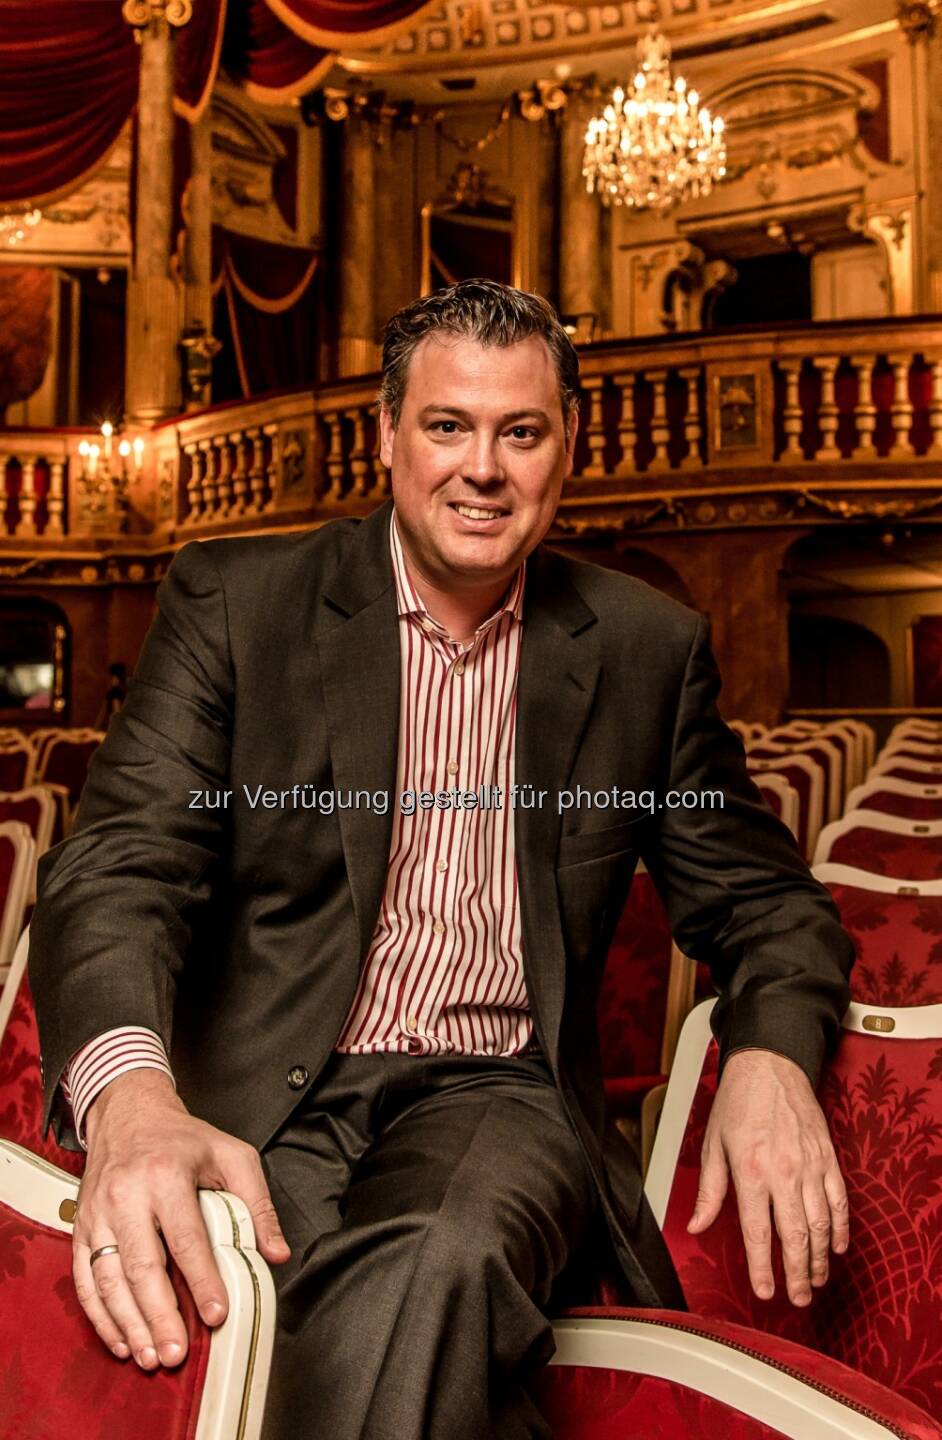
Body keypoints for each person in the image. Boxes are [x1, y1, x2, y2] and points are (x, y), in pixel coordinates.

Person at [29, 279, 854, 1440]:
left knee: (440, 1260)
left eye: (521, 432)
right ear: (386, 437)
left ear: (566, 449)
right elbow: (119, 864)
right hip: (269, 1097)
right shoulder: (237, 602)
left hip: (498, 1093)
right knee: (360, 1337)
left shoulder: (643, 646)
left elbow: (768, 901)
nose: (484, 467)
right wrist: (129, 1097)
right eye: (448, 426)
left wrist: (769, 1052)